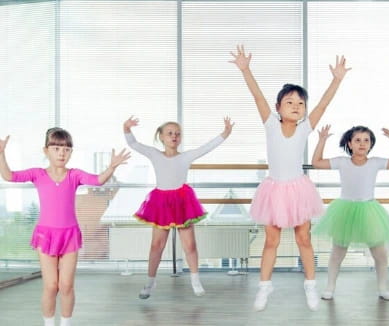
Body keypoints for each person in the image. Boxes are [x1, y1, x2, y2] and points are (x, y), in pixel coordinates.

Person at [230, 44, 349, 311]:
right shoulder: (271, 123)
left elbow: (324, 104)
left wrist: (336, 80)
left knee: (303, 239)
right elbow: (257, 96)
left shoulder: (306, 127)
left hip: (297, 190)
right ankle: (264, 286)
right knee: (271, 240)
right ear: (278, 107)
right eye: (290, 102)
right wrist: (246, 70)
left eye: (300, 103)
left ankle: (310, 285)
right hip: (274, 190)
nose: (296, 106)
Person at [0, 128, 130, 326]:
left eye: (67, 149)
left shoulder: (74, 175)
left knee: (66, 285)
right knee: (51, 286)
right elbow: (9, 176)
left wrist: (112, 167)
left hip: (69, 235)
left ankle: (66, 324)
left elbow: (97, 180)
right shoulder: (37, 174)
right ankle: (49, 323)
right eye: (57, 148)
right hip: (46, 235)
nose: (62, 153)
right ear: (46, 151)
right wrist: (1, 153)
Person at [123, 116, 233, 299]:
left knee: (189, 244)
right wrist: (126, 128)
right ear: (162, 137)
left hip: (182, 202)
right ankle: (150, 282)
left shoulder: (186, 156)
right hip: (161, 203)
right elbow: (134, 144)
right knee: (156, 245)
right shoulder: (155, 154)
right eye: (170, 133)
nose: (174, 136)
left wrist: (225, 134)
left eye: (177, 134)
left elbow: (206, 148)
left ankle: (195, 279)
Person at [312, 124, 389, 301]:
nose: (362, 144)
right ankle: (330, 287)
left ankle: (382, 288)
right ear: (350, 143)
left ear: (371, 144)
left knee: (380, 253)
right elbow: (316, 162)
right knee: (338, 252)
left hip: (369, 210)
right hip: (345, 210)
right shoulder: (341, 162)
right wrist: (322, 140)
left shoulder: (375, 162)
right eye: (357, 140)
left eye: (366, 140)